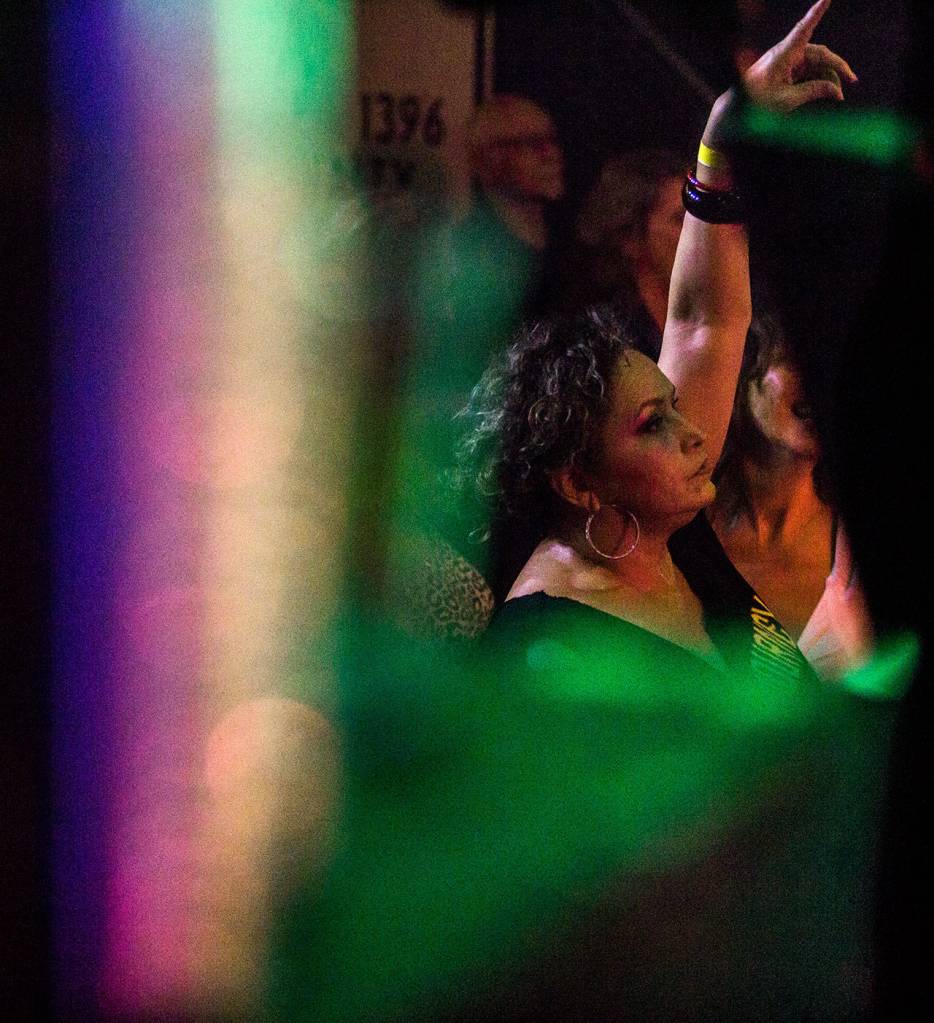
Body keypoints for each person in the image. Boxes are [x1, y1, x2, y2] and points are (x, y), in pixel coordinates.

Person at [708, 316, 873, 670]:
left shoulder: (857, 543)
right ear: (739, 371)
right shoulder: (681, 525)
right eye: (795, 358)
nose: (818, 381)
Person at [562, 148, 688, 359]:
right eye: (681, 219)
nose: (703, 234)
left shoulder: (724, 321)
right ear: (630, 238)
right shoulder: (606, 346)